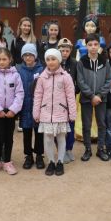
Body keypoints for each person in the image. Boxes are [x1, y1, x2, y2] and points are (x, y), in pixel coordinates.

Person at [33, 48, 77, 176]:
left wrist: (72, 113)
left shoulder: (66, 77)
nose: (50, 62)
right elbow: (38, 96)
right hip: (46, 113)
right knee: (48, 139)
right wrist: (36, 113)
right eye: (48, 59)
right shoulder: (42, 77)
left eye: (53, 59)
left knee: (61, 138)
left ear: (59, 60)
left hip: (61, 113)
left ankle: (60, 162)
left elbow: (70, 96)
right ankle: (51, 161)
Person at [0, 48, 24, 176]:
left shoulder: (15, 75)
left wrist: (13, 109)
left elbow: (19, 94)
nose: (1, 62)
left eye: (4, 59)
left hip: (11, 112)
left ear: (10, 59)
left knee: (9, 137)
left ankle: (7, 161)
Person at [76, 34, 111, 161]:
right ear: (86, 46)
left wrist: (99, 95)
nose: (93, 47)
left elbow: (109, 80)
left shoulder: (105, 61)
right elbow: (80, 81)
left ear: (99, 46)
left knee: (101, 124)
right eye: (90, 44)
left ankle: (100, 149)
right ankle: (87, 149)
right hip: (86, 98)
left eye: (95, 44)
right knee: (86, 125)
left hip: (101, 99)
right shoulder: (81, 62)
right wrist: (91, 96)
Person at [16, 43, 45, 170]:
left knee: (39, 133)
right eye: (25, 55)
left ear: (35, 56)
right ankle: (28, 156)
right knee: (26, 133)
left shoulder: (42, 70)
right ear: (22, 57)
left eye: (31, 55)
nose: (28, 57)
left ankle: (39, 155)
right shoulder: (19, 70)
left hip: (39, 107)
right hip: (24, 107)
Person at [58, 38, 78, 163]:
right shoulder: (54, 62)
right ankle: (62, 150)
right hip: (58, 100)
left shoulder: (75, 63)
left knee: (71, 125)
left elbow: (78, 80)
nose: (65, 53)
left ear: (70, 51)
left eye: (67, 50)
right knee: (60, 126)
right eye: (62, 50)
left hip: (70, 100)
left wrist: (74, 91)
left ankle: (69, 148)